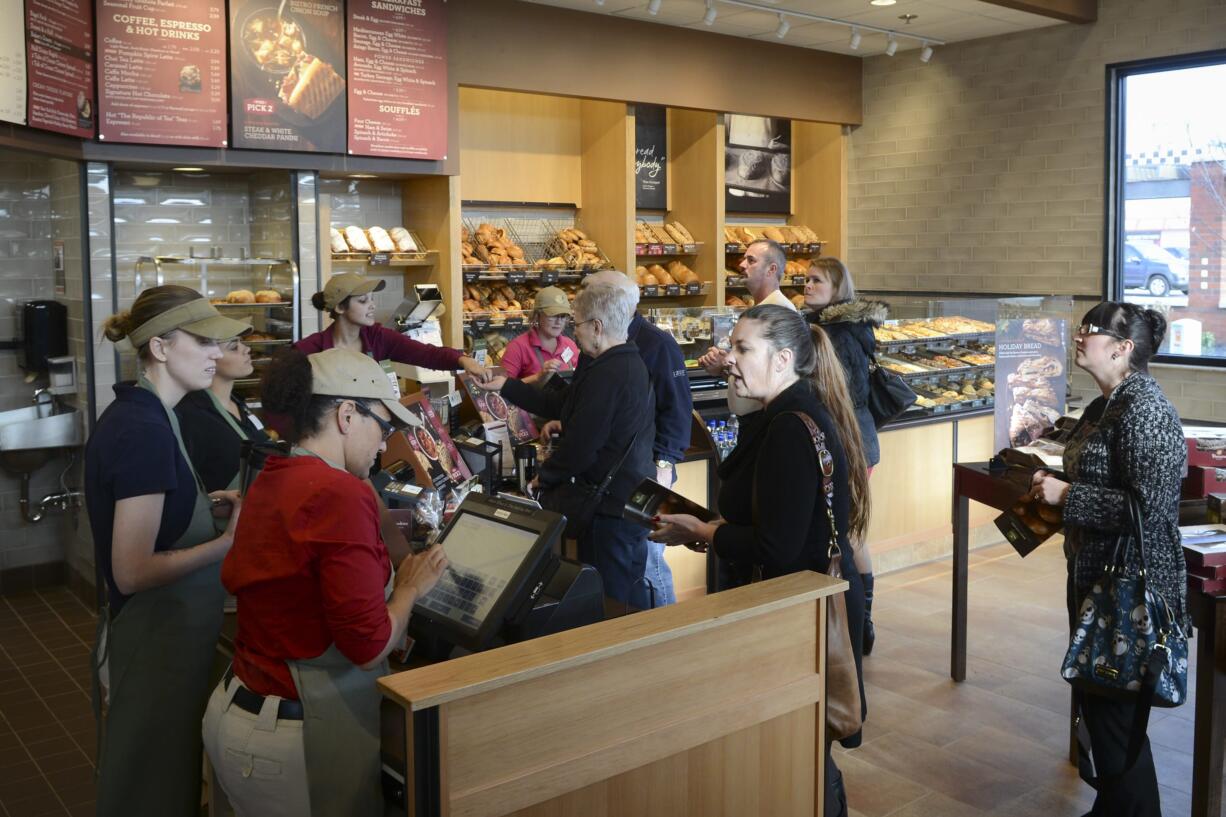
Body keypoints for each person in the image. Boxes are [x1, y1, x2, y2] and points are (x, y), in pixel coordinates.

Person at [203, 348, 448, 817]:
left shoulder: (276, 473)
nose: (384, 444)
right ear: (347, 414)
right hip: (293, 736)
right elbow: (368, 644)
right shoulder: (337, 494)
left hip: (239, 708)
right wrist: (411, 588)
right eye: (383, 427)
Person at [648, 304, 870, 817]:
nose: (730, 359)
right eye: (732, 346)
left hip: (801, 613)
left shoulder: (791, 427)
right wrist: (713, 531)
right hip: (796, 606)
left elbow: (777, 549)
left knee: (807, 756)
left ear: (784, 358)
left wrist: (706, 531)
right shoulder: (779, 415)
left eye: (743, 349)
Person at [85, 285, 250, 817]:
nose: (216, 353)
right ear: (159, 347)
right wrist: (226, 542)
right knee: (148, 792)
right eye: (203, 341)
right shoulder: (145, 429)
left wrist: (204, 505)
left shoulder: (158, 414)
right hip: (152, 647)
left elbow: (156, 520)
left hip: (171, 646)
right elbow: (131, 570)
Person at [1029, 302, 1188, 817]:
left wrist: (1067, 497)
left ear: (1123, 348)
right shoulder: (1103, 405)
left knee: (1117, 726)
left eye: (1089, 330)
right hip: (1096, 581)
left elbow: (1151, 510)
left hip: (1133, 593)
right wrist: (1052, 485)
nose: (1079, 337)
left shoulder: (1146, 407)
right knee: (1103, 716)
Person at [479, 283, 658, 609]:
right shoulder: (624, 363)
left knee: (610, 602)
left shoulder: (608, 373)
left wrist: (543, 478)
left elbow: (583, 445)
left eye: (576, 323)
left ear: (597, 326)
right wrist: (507, 385)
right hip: (628, 500)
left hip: (609, 510)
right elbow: (564, 405)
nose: (573, 333)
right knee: (629, 595)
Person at [586, 269, 693, 605]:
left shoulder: (657, 344)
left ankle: (666, 630)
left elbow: (677, 410)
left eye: (592, 292)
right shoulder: (600, 339)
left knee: (650, 558)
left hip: (647, 470)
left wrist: (664, 463)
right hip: (617, 471)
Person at [802, 256, 887, 655]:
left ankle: (862, 622)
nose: (807, 285)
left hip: (851, 445)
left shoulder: (840, 333)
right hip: (852, 442)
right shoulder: (829, 327)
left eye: (817, 280)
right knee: (849, 531)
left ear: (838, 289)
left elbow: (848, 397)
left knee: (850, 533)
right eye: (805, 278)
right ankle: (858, 619)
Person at [297, 271, 489, 382]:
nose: (372, 305)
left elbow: (427, 354)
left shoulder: (378, 338)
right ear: (340, 307)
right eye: (363, 301)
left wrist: (464, 361)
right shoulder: (309, 351)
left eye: (372, 299)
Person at [698, 238, 796, 419]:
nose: (742, 265)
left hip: (763, 416)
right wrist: (723, 365)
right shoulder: (759, 308)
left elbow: (775, 373)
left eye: (751, 260)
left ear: (771, 269)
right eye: (744, 259)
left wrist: (725, 364)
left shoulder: (779, 312)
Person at [176, 332, 271, 492]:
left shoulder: (237, 402)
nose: (247, 349)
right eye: (234, 347)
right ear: (210, 356)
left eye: (242, 343)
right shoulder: (192, 415)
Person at [498, 285, 580, 385]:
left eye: (563, 316)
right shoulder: (518, 347)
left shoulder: (570, 345)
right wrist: (538, 377)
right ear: (537, 316)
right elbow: (501, 387)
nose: (558, 321)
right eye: (553, 315)